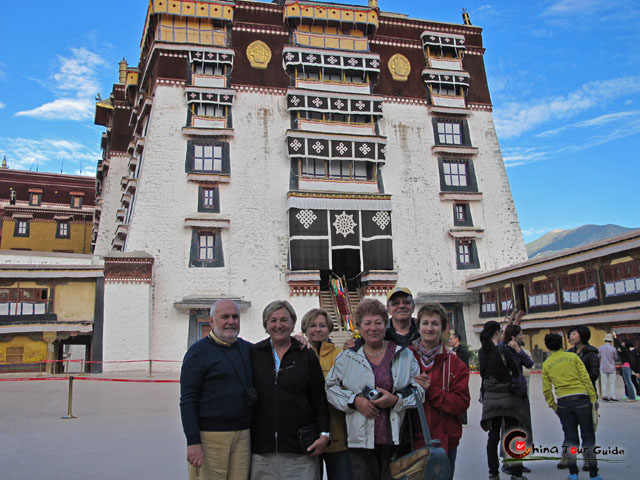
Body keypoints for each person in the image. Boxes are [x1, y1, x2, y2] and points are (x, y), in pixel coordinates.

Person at [326, 298, 423, 480]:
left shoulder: (403, 354)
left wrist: (396, 400)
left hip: (396, 440)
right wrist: (355, 400)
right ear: (359, 327)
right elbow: (330, 387)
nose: (373, 328)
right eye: (367, 323)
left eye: (378, 322)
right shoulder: (347, 357)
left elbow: (419, 391)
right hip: (360, 442)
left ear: (385, 325)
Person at [250, 300, 330, 479]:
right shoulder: (255, 354)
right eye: (273, 320)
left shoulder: (305, 354)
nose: (279, 325)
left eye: (284, 320)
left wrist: (324, 434)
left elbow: (319, 398)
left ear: (293, 323)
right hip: (262, 453)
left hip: (300, 453)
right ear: (266, 324)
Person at [180, 299, 253, 480]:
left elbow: (276, 348)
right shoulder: (198, 352)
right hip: (210, 438)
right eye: (224, 317)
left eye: (235, 317)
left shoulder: (248, 349)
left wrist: (298, 339)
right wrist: (193, 442)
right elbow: (188, 399)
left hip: (243, 436)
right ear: (212, 321)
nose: (231, 321)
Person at [411, 304, 470, 480]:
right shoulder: (406, 357)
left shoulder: (454, 364)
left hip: (444, 440)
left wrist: (432, 391)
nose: (429, 328)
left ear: (443, 328)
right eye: (425, 323)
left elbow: (461, 404)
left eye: (435, 324)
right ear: (418, 326)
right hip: (412, 439)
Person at [542, 333, 602, 480]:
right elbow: (585, 378)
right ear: (562, 343)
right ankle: (593, 474)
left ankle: (573, 473)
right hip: (582, 399)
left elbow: (547, 389)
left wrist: (553, 406)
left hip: (563, 402)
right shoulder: (573, 357)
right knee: (588, 436)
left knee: (570, 437)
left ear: (548, 346)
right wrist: (593, 399)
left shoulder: (547, 364)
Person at [301, 308, 351, 480]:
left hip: (337, 432)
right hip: (307, 433)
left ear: (329, 329)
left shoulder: (340, 355)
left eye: (322, 325)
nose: (317, 329)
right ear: (305, 330)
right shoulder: (299, 355)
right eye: (312, 325)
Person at [479, 320, 527, 480]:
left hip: (491, 398)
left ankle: (493, 472)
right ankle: (516, 473)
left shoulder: (482, 351)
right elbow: (515, 368)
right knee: (512, 435)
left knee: (493, 436)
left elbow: (483, 373)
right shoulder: (502, 349)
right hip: (507, 396)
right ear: (497, 333)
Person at [500, 324, 534, 476]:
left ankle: (519, 461)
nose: (522, 336)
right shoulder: (502, 349)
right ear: (513, 336)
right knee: (509, 428)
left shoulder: (518, 350)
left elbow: (529, 364)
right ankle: (508, 461)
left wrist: (519, 351)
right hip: (509, 393)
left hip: (521, 392)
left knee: (523, 426)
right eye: (520, 334)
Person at [613, 332, 636, 401]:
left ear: (625, 344)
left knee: (628, 382)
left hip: (626, 367)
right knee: (627, 382)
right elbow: (619, 352)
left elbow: (618, 345)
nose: (622, 343)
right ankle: (629, 395)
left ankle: (632, 397)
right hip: (627, 367)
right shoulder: (627, 351)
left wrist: (615, 337)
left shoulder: (625, 350)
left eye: (623, 342)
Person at [598, 333, 618, 402]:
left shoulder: (601, 347)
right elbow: (616, 357)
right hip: (611, 367)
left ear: (605, 340)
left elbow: (599, 356)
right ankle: (613, 396)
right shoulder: (613, 349)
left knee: (604, 382)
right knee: (612, 382)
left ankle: (604, 395)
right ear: (611, 341)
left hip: (603, 367)